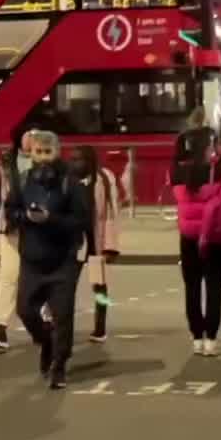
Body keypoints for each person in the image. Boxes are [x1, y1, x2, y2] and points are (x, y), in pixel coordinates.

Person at [6, 131, 91, 390]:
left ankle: (59, 366)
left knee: (62, 316)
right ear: (31, 154)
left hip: (62, 261)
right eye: (38, 152)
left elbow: (81, 221)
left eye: (47, 152)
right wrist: (25, 217)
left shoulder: (70, 183)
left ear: (57, 152)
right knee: (25, 310)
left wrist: (51, 220)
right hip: (32, 259)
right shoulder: (22, 181)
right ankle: (46, 342)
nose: (42, 158)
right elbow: (10, 211)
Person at [171, 118, 221, 355]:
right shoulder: (219, 171)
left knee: (192, 287)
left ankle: (196, 336)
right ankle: (211, 338)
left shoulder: (179, 173)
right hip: (215, 238)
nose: (215, 149)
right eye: (212, 145)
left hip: (188, 237)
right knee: (214, 287)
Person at [0, 123, 35, 352]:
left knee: (38, 280)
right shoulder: (4, 164)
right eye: (29, 135)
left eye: (36, 135)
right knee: (8, 277)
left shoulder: (47, 161)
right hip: (11, 228)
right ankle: (1, 329)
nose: (33, 139)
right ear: (19, 137)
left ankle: (44, 325)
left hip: (40, 231)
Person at [68, 143, 123, 342]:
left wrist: (111, 246)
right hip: (73, 244)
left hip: (96, 242)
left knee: (100, 288)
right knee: (66, 286)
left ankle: (100, 327)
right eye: (72, 159)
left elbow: (111, 214)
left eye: (78, 159)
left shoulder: (104, 180)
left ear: (89, 161)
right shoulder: (67, 180)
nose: (74, 163)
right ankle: (63, 325)